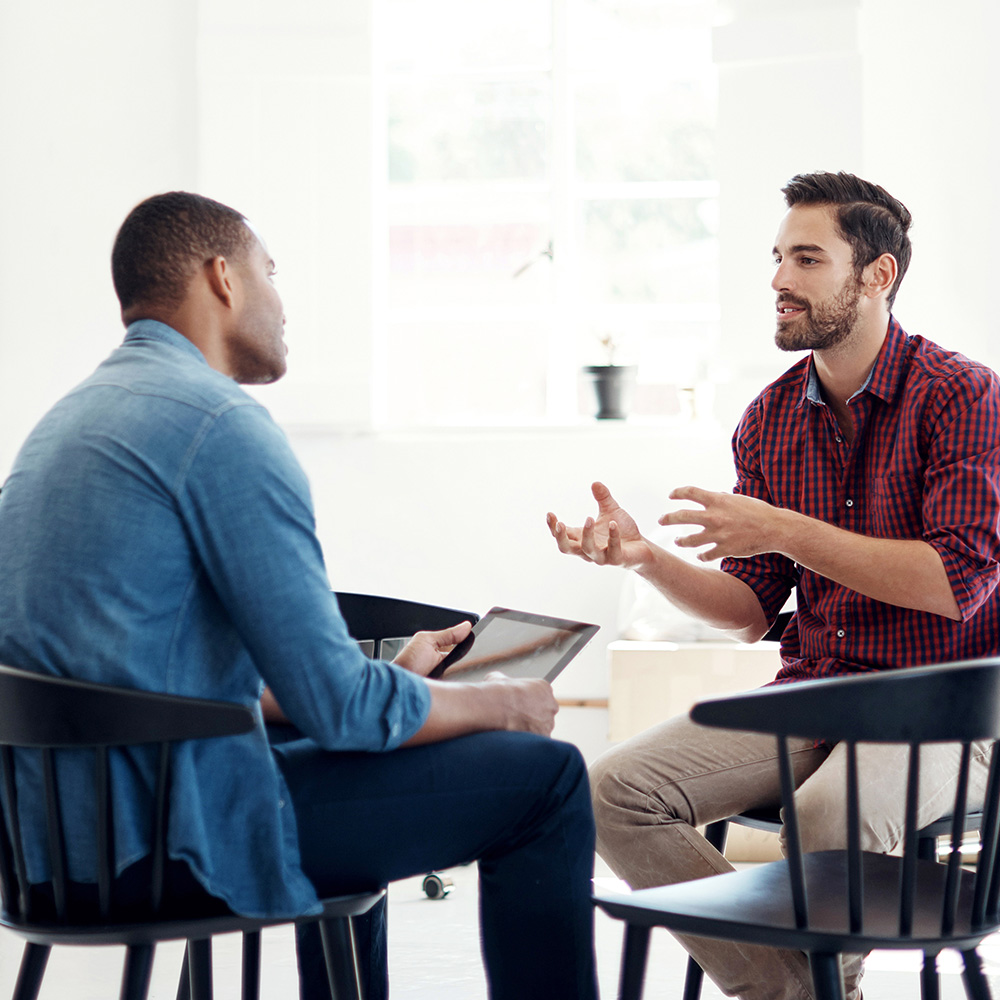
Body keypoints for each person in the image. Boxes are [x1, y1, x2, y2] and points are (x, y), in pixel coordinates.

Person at [0, 192, 599, 1000]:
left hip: (55, 839)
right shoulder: (218, 424)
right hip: (171, 838)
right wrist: (503, 707)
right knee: (549, 776)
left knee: (377, 738)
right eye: (271, 273)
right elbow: (341, 710)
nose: (283, 304)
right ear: (223, 279)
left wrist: (406, 689)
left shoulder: (71, 422)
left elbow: (147, 673)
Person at [547, 171, 1000, 1000]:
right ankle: (794, 993)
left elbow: (954, 584)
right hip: (813, 694)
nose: (779, 280)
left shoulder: (963, 395)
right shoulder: (768, 418)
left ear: (877, 276)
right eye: (777, 257)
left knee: (828, 813)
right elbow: (752, 609)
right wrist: (645, 558)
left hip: (944, 705)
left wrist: (786, 530)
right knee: (613, 790)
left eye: (806, 258)